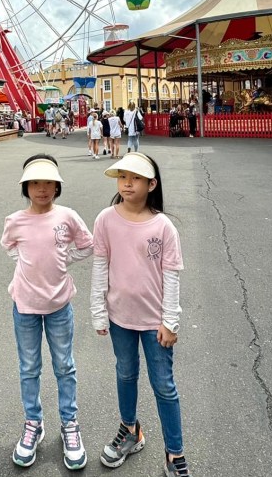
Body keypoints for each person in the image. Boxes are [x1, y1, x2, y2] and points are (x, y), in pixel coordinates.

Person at [91, 152, 191, 476]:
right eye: (123, 177)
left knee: (164, 386)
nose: (127, 183)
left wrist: (170, 321)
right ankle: (130, 430)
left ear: (152, 184)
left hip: (155, 323)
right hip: (119, 317)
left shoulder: (163, 226)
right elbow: (100, 267)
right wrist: (97, 311)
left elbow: (172, 276)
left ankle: (175, 453)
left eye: (135, 178)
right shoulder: (105, 220)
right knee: (125, 374)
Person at [2, 154, 94, 469]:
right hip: (25, 306)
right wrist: (26, 265)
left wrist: (64, 258)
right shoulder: (15, 220)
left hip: (59, 306)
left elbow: (87, 244)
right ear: (26, 187)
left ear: (57, 187)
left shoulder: (67, 216)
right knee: (29, 368)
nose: (42, 189)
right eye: (35, 183)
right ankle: (34, 423)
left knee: (65, 366)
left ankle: (70, 424)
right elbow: (9, 246)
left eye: (48, 183)